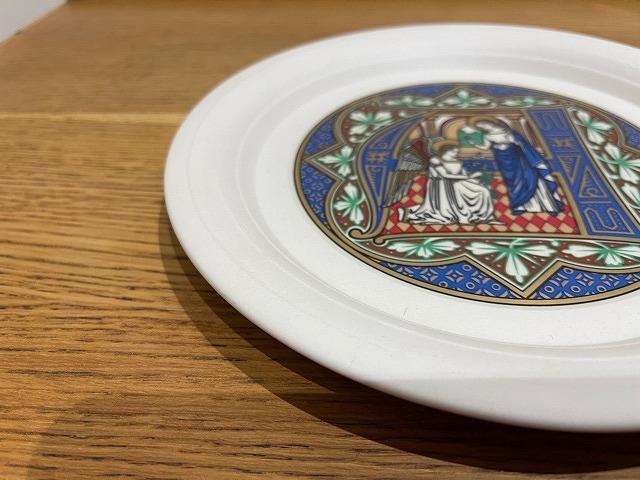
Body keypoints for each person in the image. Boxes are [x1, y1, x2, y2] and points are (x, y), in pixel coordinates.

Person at [470, 117, 563, 215]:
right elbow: (486, 146)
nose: (483, 126)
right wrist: (475, 144)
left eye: (483, 123)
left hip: (517, 159)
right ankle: (520, 205)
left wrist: (514, 142)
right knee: (513, 183)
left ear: (489, 122)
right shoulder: (486, 135)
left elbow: (521, 143)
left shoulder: (506, 130)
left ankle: (543, 205)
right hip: (503, 159)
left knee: (528, 178)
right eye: (480, 126)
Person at [400, 140, 495, 224]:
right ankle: (463, 214)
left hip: (458, 183)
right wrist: (468, 177)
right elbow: (445, 175)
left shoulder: (457, 161)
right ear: (446, 150)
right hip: (443, 185)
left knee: (484, 190)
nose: (456, 153)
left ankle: (483, 217)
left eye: (456, 151)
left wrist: (475, 178)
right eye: (454, 151)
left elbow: (464, 174)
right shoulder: (435, 160)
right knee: (462, 190)